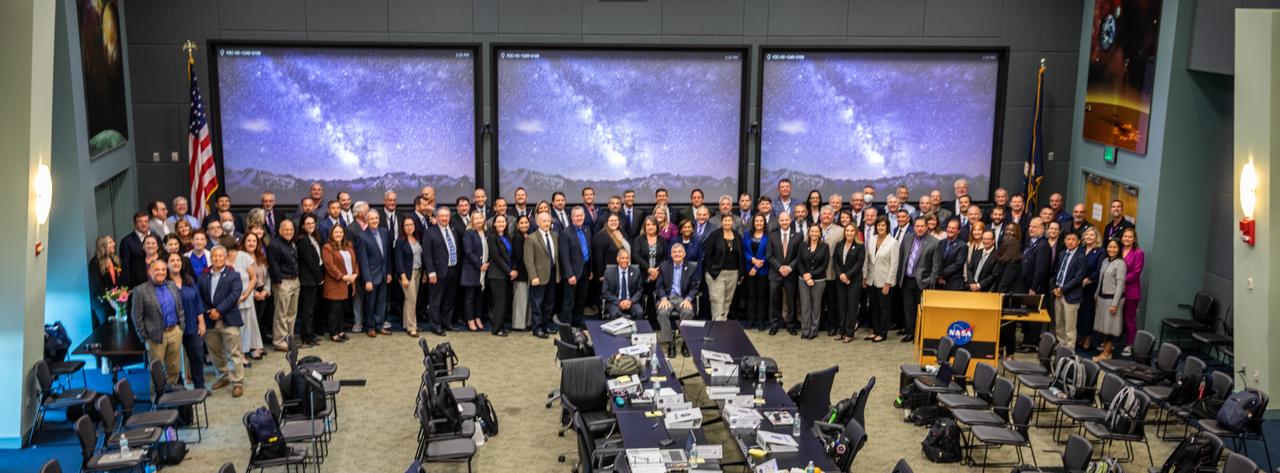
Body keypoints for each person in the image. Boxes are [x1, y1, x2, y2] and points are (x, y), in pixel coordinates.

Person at [199, 246, 245, 396]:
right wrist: (210, 311)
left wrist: (219, 310)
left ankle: (237, 382)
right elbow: (198, 296)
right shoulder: (203, 276)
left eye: (220, 256)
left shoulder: (233, 275)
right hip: (210, 320)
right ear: (210, 258)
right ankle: (223, 377)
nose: (217, 258)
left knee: (233, 353)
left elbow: (235, 295)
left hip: (228, 319)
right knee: (215, 352)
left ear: (225, 258)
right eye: (214, 256)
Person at [132, 260, 185, 385]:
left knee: (174, 368)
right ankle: (156, 399)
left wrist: (181, 328)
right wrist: (144, 337)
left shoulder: (171, 285)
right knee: (156, 371)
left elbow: (180, 307)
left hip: (175, 332)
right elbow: (136, 316)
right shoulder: (140, 290)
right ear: (150, 271)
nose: (160, 272)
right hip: (154, 336)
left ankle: (171, 395)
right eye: (157, 269)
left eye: (163, 270)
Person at [897, 217, 940, 342]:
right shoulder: (907, 238)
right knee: (908, 308)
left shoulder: (934, 242)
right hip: (907, 280)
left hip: (923, 282)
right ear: (914, 227)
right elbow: (901, 258)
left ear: (927, 227)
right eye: (917, 226)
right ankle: (911, 333)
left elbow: (936, 266)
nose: (919, 228)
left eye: (922, 226)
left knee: (922, 310)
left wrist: (930, 280)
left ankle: (921, 335)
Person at [167, 253, 206, 389]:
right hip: (173, 328)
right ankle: (179, 388)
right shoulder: (164, 282)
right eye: (172, 260)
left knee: (197, 356)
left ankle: (200, 386)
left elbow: (197, 301)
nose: (176, 263)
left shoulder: (188, 279)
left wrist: (201, 322)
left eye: (178, 260)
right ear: (167, 264)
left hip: (191, 325)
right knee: (174, 361)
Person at [657, 243, 699, 357]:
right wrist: (663, 298)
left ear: (684, 254)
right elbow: (659, 286)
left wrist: (688, 299)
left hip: (682, 298)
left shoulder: (691, 267)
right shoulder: (664, 266)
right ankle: (670, 342)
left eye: (679, 252)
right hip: (668, 298)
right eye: (674, 252)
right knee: (662, 312)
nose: (677, 254)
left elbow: (695, 287)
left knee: (687, 312)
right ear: (671, 254)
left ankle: (685, 342)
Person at [424, 207, 461, 336]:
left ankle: (447, 322)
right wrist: (431, 272)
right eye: (442, 216)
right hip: (437, 272)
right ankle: (435, 325)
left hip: (453, 269)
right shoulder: (430, 232)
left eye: (447, 216)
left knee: (449, 299)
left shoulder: (453, 229)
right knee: (436, 300)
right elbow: (427, 254)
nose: (444, 218)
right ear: (437, 217)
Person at [265, 219, 300, 351]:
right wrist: (278, 283)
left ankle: (289, 338)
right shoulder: (274, 245)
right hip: (283, 283)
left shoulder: (292, 243)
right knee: (281, 314)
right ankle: (279, 341)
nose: (289, 232)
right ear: (280, 230)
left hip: (295, 281)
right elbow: (273, 266)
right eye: (286, 229)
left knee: (292, 313)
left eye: (291, 229)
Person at [524, 212, 561, 338]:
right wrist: (533, 276)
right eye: (543, 221)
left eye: (548, 221)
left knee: (549, 304)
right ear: (537, 222)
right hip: (538, 277)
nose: (546, 223)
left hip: (552, 275)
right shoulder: (531, 238)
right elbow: (528, 260)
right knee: (537, 304)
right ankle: (537, 328)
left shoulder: (555, 236)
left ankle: (545, 326)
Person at [1018, 217, 1052, 350]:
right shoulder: (1030, 242)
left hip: (1034, 287)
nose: (1031, 229)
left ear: (1042, 229)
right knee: (1026, 313)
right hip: (1025, 284)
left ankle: (1031, 343)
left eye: (1035, 227)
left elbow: (1040, 269)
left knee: (1033, 315)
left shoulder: (1043, 245)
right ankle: (1026, 340)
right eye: (1030, 226)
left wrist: (1033, 287)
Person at [232, 232, 267, 361]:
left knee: (255, 323)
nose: (251, 243)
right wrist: (253, 293)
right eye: (249, 241)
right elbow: (243, 280)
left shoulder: (260, 256)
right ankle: (243, 352)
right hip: (247, 295)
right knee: (246, 324)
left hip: (262, 294)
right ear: (243, 243)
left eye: (254, 241)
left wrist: (265, 291)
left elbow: (266, 275)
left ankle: (253, 347)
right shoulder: (239, 258)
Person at [863, 217, 898, 342]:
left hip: (885, 281)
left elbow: (894, 265)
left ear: (887, 226)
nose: (881, 227)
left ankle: (883, 333)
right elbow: (867, 258)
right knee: (874, 307)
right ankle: (875, 330)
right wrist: (864, 276)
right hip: (871, 279)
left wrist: (888, 283)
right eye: (878, 225)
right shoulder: (872, 239)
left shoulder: (893, 242)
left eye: (883, 225)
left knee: (884, 308)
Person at [321, 225, 358, 343]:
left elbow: (355, 261)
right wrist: (343, 276)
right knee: (334, 311)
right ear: (331, 234)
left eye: (341, 232)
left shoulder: (348, 245)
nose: (339, 234)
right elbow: (330, 266)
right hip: (335, 284)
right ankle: (334, 333)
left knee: (343, 309)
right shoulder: (327, 247)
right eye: (336, 232)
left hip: (349, 283)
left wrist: (355, 274)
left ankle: (341, 331)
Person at [1093, 239, 1127, 361]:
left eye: (1114, 247)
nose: (1111, 250)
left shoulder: (1120, 264)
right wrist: (1096, 295)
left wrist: (1115, 304)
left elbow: (1120, 285)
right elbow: (1100, 280)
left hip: (1113, 300)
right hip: (1102, 298)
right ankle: (1105, 351)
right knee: (1104, 327)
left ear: (1119, 249)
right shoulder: (1105, 261)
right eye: (1109, 247)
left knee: (1111, 328)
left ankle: (1106, 354)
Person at [703, 214, 741, 321]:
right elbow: (708, 255)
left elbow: (740, 256)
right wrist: (709, 272)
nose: (728, 222)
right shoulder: (714, 235)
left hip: (733, 273)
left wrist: (741, 273)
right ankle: (717, 326)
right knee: (717, 300)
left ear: (733, 222)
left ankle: (722, 324)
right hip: (717, 273)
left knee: (727, 301)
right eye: (725, 220)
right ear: (721, 221)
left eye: (730, 220)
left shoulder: (737, 236)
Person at [766, 212, 799, 335]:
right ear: (778, 222)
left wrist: (789, 268)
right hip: (775, 274)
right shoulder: (772, 236)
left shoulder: (798, 235)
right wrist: (780, 268)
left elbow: (799, 256)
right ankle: (774, 324)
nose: (784, 222)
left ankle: (790, 325)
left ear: (790, 220)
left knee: (791, 301)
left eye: (786, 220)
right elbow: (769, 255)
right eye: (782, 220)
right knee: (774, 300)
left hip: (791, 274)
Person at [1052, 232, 1086, 348]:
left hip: (1071, 296)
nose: (1070, 242)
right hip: (1058, 293)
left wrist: (1063, 289)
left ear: (1078, 242)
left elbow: (1078, 279)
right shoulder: (1062, 254)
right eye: (1068, 239)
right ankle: (1061, 346)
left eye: (1073, 239)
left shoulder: (1081, 257)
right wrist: (1056, 288)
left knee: (1069, 326)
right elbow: (1057, 272)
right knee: (1059, 324)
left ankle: (1069, 349)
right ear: (1065, 241)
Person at [794, 225, 829, 339]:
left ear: (820, 233)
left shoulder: (825, 246)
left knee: (816, 306)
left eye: (816, 231)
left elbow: (825, 265)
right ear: (808, 233)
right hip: (803, 280)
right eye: (812, 231)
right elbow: (799, 262)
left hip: (819, 280)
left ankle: (813, 331)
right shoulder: (802, 245)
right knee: (805, 306)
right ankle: (805, 330)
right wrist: (805, 275)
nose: (814, 233)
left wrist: (811, 275)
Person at [559, 207, 591, 328]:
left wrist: (591, 270)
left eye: (581, 216)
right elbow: (564, 256)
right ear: (572, 217)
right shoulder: (566, 233)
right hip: (572, 272)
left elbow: (589, 251)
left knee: (581, 299)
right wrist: (569, 274)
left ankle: (577, 320)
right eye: (577, 216)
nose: (579, 218)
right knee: (569, 299)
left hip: (585, 270)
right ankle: (566, 324)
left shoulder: (587, 230)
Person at [832, 224, 864, 343]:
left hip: (854, 280)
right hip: (840, 280)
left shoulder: (860, 246)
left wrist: (847, 275)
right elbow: (835, 261)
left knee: (852, 307)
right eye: (847, 231)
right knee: (841, 306)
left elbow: (859, 264)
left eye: (851, 231)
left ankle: (849, 333)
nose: (849, 233)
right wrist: (840, 274)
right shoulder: (839, 244)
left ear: (855, 233)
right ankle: (842, 331)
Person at [295, 215, 324, 346]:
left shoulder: (313, 237)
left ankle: (310, 334)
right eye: (307, 223)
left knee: (312, 308)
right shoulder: (302, 240)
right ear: (302, 226)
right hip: (308, 280)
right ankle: (306, 337)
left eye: (312, 223)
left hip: (313, 278)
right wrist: (320, 278)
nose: (311, 225)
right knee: (308, 310)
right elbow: (310, 262)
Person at [487, 214, 516, 336]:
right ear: (494, 224)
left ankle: (501, 325)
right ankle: (496, 329)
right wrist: (509, 271)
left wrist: (513, 269)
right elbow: (496, 257)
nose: (501, 224)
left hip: (507, 275)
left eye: (503, 222)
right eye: (498, 222)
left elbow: (511, 255)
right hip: (497, 274)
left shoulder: (507, 236)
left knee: (505, 302)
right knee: (499, 302)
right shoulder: (492, 237)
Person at [394, 215, 423, 337]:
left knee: (409, 299)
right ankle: (412, 327)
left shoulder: (418, 238)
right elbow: (398, 260)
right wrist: (403, 277)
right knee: (412, 300)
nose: (409, 227)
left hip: (418, 271)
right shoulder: (400, 241)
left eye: (411, 225)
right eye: (407, 225)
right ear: (403, 227)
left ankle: (407, 324)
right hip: (407, 273)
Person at [461, 212, 489, 332]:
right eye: (476, 218)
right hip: (472, 270)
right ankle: (470, 320)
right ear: (472, 220)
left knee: (480, 297)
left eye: (480, 218)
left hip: (484, 270)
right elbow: (468, 252)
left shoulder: (486, 233)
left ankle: (478, 317)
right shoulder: (469, 233)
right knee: (470, 298)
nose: (478, 221)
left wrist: (487, 264)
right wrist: (480, 265)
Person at [1076, 227, 1104, 350]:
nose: (1089, 237)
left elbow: (1099, 270)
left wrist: (1087, 280)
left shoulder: (1100, 251)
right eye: (1087, 235)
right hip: (1078, 285)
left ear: (1096, 237)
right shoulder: (1080, 249)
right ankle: (1080, 337)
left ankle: (1087, 339)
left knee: (1088, 313)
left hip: (1091, 286)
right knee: (1079, 312)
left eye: (1092, 235)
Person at [741, 215, 770, 330]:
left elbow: (769, 253)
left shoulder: (769, 236)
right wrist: (752, 260)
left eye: (761, 221)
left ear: (764, 222)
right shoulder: (747, 235)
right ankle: (750, 320)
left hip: (763, 270)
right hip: (749, 270)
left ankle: (760, 321)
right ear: (753, 223)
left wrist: (757, 267)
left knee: (762, 297)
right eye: (756, 221)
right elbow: (744, 250)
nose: (758, 223)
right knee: (751, 296)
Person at [88, 235, 122, 329]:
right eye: (110, 242)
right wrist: (109, 298)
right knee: (106, 328)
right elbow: (96, 285)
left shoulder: (114, 260)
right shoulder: (95, 263)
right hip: (102, 304)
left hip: (116, 301)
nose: (114, 244)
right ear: (103, 246)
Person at [1119, 228, 1144, 353]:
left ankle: (1130, 344)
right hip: (1118, 291)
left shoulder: (1138, 253)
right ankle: (1114, 342)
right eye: (1125, 236)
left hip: (1131, 291)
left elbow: (1136, 273)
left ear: (1134, 239)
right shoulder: (1120, 250)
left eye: (1130, 237)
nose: (1127, 239)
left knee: (1129, 319)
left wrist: (1120, 280)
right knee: (1118, 317)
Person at [632, 217, 667, 305]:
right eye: (648, 225)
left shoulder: (662, 240)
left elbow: (665, 257)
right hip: (642, 274)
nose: (651, 227)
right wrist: (649, 269)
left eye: (653, 224)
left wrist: (657, 271)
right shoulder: (638, 240)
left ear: (657, 227)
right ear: (644, 227)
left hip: (658, 274)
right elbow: (636, 256)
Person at [120, 212, 158, 288]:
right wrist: (127, 288)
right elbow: (125, 267)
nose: (143, 224)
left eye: (146, 221)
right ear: (135, 224)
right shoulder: (127, 241)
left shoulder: (157, 237)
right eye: (140, 222)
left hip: (157, 280)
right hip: (138, 284)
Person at [593, 214, 629, 295]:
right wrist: (601, 274)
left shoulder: (623, 233)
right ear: (606, 222)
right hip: (607, 272)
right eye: (611, 221)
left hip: (621, 269)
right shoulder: (601, 235)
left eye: (616, 220)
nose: (614, 222)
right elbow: (598, 257)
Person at [603, 250, 643, 320]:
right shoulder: (609, 272)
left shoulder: (636, 272)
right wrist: (619, 302)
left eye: (627, 258)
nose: (625, 260)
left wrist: (630, 301)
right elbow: (605, 292)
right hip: (615, 303)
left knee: (639, 312)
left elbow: (639, 291)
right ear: (617, 259)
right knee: (615, 313)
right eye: (623, 258)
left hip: (631, 302)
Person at [510, 215, 531, 331]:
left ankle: (525, 323)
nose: (524, 225)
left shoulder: (526, 236)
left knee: (526, 300)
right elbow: (519, 256)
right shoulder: (517, 237)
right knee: (520, 300)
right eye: (521, 223)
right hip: (520, 273)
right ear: (517, 225)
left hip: (526, 273)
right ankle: (518, 325)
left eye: (526, 223)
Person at [937, 219, 967, 290]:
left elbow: (958, 264)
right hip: (939, 283)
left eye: (953, 228)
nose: (950, 230)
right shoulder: (941, 243)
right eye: (949, 227)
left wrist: (941, 274)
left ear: (958, 231)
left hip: (954, 284)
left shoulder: (962, 245)